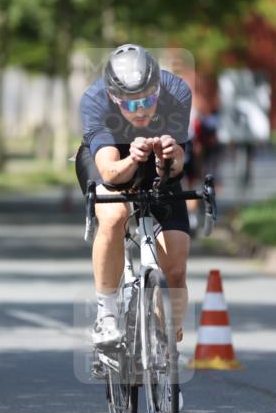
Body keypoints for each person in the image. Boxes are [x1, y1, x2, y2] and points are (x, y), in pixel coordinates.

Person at [76, 44, 192, 349]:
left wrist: (168, 156)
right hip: (111, 157)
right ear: (114, 98)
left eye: (147, 100)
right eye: (129, 104)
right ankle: (107, 314)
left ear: (157, 89)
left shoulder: (177, 91)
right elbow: (111, 172)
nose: (140, 110)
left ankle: (166, 356)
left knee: (177, 269)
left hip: (156, 158)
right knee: (113, 216)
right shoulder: (95, 100)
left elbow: (179, 163)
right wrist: (132, 160)